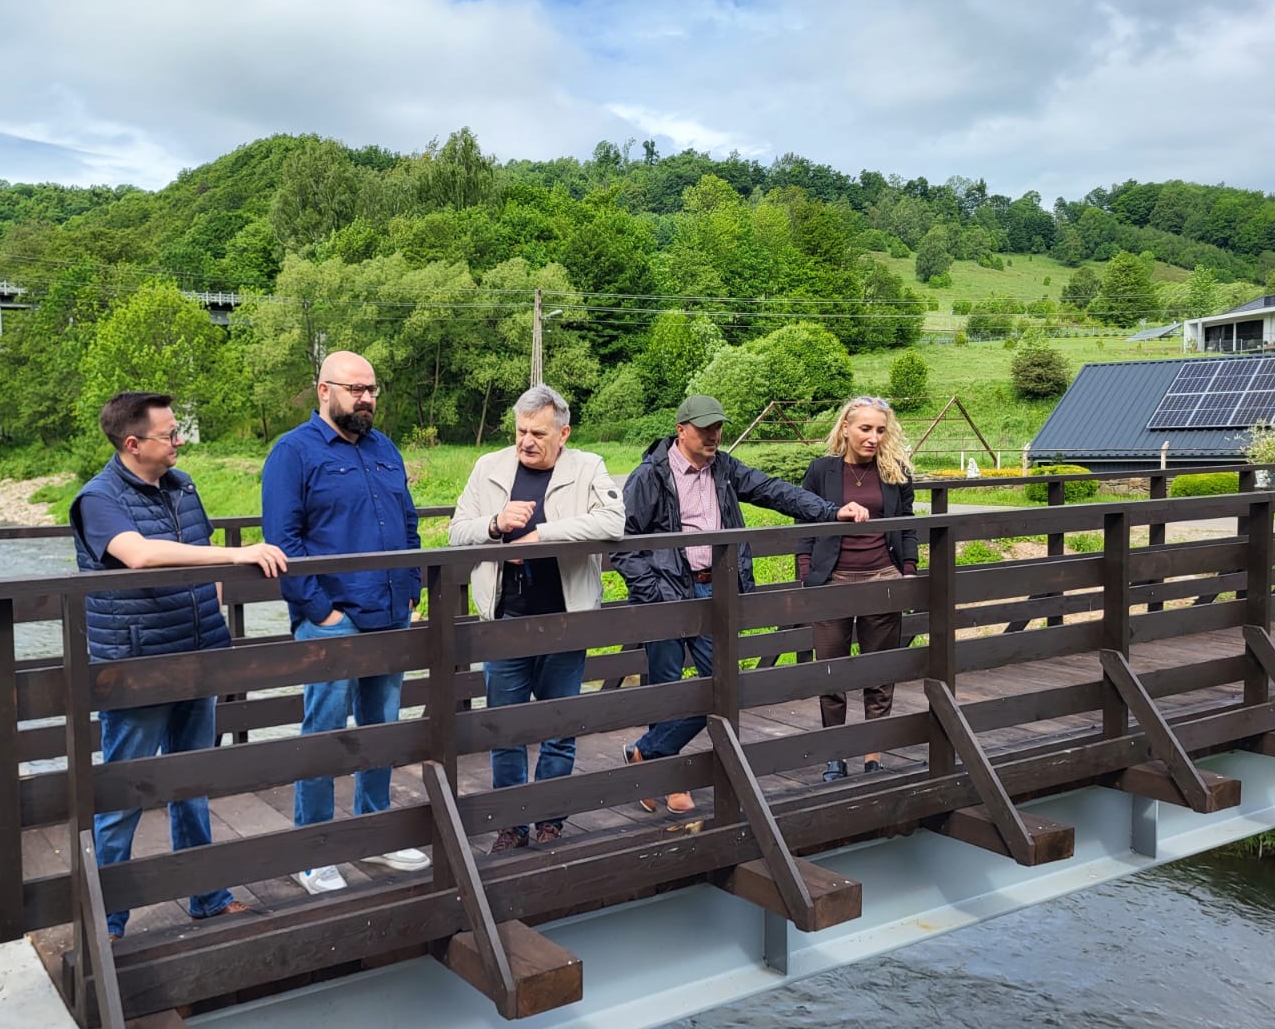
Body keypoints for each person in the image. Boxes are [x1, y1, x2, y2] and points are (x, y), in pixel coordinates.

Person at [70, 391, 288, 940]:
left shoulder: (182, 485)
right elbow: (140, 554)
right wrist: (237, 554)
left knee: (192, 782)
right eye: (169, 434)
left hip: (198, 655)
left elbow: (199, 550)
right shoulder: (97, 499)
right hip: (139, 665)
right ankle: (105, 921)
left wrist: (213, 610)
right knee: (125, 791)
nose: (179, 441)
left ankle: (207, 898)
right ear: (132, 443)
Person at [612, 394, 870, 814]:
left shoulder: (725, 469)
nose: (714, 435)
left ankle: (648, 753)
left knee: (723, 686)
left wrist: (830, 511)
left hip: (715, 591)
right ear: (681, 431)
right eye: (705, 429)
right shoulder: (649, 476)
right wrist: (653, 591)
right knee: (667, 688)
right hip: (666, 594)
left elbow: (774, 491)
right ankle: (669, 780)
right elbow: (623, 543)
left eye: (718, 427)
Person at [261, 350, 432, 894]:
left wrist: (412, 588)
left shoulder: (385, 448)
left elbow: (408, 523)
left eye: (371, 389)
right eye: (355, 389)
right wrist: (321, 611)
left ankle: (374, 834)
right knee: (325, 733)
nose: (366, 398)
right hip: (333, 620)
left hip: (391, 613)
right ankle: (313, 851)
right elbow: (282, 540)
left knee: (382, 729)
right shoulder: (293, 452)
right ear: (324, 390)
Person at [449, 385, 625, 852]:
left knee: (558, 726)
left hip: (565, 620)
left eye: (538, 433)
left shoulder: (587, 467)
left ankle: (550, 820)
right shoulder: (489, 467)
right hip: (505, 620)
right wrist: (495, 525)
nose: (526, 441)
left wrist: (540, 536)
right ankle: (512, 824)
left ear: (563, 434)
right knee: (505, 729)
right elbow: (457, 531)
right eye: (521, 431)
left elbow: (612, 521)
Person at [795, 395, 918, 782]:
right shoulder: (821, 471)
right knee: (831, 672)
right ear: (846, 428)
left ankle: (872, 755)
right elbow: (804, 522)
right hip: (832, 581)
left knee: (878, 673)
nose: (873, 437)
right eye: (865, 428)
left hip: (882, 578)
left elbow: (908, 526)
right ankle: (835, 755)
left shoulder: (895, 472)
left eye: (880, 430)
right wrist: (806, 572)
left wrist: (908, 571)